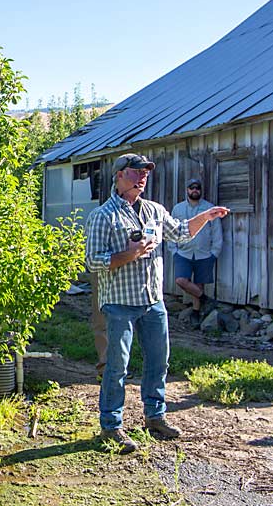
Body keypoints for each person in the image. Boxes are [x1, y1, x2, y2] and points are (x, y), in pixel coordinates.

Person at [85, 153, 229, 454]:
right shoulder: (103, 216)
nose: (143, 177)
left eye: (146, 173)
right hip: (120, 303)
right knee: (116, 366)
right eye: (137, 172)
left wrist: (206, 216)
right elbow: (93, 262)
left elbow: (180, 234)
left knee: (158, 361)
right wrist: (130, 254)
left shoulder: (154, 211)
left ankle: (155, 417)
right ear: (120, 175)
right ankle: (111, 426)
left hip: (152, 301)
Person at [169, 178, 223, 328]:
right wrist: (173, 250)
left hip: (204, 253)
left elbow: (217, 231)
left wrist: (215, 252)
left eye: (197, 188)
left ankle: (196, 312)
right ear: (187, 190)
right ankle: (206, 300)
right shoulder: (178, 209)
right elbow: (171, 230)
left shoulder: (209, 208)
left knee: (199, 283)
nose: (195, 190)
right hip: (183, 252)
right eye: (192, 188)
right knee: (181, 280)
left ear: (200, 190)